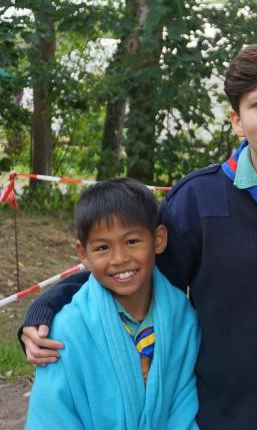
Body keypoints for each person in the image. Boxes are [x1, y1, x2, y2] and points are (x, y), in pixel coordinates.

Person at [19, 42, 257, 429]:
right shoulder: (198, 201)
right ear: (237, 120)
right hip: (221, 419)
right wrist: (47, 306)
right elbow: (133, 270)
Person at [25, 178, 200, 429]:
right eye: (103, 247)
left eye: (132, 242)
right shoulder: (67, 331)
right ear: (84, 254)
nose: (119, 258)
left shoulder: (183, 320)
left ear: (158, 239)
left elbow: (183, 406)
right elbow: (52, 415)